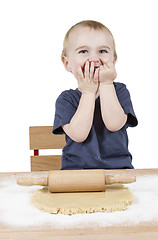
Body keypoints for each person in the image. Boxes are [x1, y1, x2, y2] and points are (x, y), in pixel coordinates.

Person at [53, 20, 138, 170]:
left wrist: (106, 84)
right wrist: (88, 92)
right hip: (76, 173)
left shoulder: (120, 92)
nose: (94, 58)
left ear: (113, 61)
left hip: (118, 171)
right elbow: (79, 134)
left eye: (102, 51)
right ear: (67, 64)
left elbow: (114, 124)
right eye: (83, 51)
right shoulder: (66, 99)